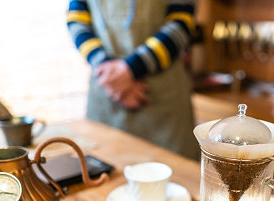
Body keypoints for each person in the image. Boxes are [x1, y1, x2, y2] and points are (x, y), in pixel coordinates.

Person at [67, 0, 200, 160]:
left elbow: (181, 22)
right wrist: (106, 68)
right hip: (106, 98)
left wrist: (130, 69)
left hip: (162, 104)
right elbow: (76, 20)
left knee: (176, 176)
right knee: (104, 172)